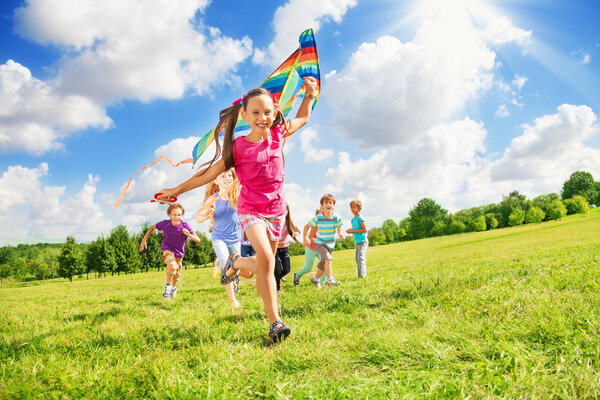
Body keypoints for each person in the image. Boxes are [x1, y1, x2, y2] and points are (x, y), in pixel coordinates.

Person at [157, 76, 318, 341]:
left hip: (276, 211)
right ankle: (275, 323)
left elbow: (303, 118)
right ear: (244, 114)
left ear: (275, 112)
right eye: (256, 112)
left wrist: (309, 95)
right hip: (251, 210)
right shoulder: (238, 147)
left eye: (267, 112)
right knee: (266, 260)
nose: (262, 117)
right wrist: (177, 190)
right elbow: (207, 174)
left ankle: (236, 262)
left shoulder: (278, 135)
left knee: (268, 266)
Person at [197, 169, 252, 308]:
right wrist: (207, 214)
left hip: (235, 238)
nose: (227, 178)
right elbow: (198, 218)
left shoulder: (238, 195)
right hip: (219, 237)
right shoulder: (213, 198)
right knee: (226, 265)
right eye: (223, 176)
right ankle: (233, 301)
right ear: (216, 181)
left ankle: (229, 274)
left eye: (229, 175)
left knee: (236, 268)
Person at [139, 203, 202, 299]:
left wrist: (189, 234)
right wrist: (144, 240)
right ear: (169, 215)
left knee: (176, 274)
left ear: (182, 215)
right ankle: (167, 290)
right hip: (167, 250)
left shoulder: (184, 225)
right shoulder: (165, 224)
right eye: (174, 214)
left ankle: (173, 287)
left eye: (179, 215)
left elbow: (198, 240)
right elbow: (152, 227)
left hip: (179, 253)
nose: (177, 217)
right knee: (172, 265)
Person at [308, 194, 344, 288]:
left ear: (333, 205)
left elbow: (339, 227)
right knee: (327, 259)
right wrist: (309, 239)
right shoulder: (318, 218)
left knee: (324, 265)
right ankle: (330, 280)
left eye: (330, 203)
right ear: (322, 206)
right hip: (320, 243)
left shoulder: (336, 217)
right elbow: (310, 230)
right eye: (326, 203)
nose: (328, 204)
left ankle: (315, 279)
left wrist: (340, 234)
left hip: (330, 244)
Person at [293, 208, 326, 286]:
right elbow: (306, 228)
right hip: (311, 248)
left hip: (320, 249)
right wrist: (305, 238)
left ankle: (322, 283)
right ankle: (296, 276)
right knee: (308, 268)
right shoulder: (314, 224)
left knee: (324, 265)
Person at [274, 203, 300, 291]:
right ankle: (277, 288)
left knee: (287, 269)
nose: (283, 212)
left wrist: (296, 232)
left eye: (285, 210)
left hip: (284, 248)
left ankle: (273, 280)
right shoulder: (273, 221)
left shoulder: (288, 220)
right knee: (277, 270)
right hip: (274, 249)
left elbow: (296, 229)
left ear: (288, 211)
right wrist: (277, 243)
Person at [346, 199, 368, 278]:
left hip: (363, 241)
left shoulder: (360, 218)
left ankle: (363, 276)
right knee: (357, 259)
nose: (352, 209)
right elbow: (356, 230)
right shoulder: (353, 220)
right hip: (357, 242)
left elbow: (364, 230)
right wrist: (351, 231)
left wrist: (352, 230)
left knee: (360, 258)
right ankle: (360, 276)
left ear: (359, 208)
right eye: (351, 207)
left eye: (354, 207)